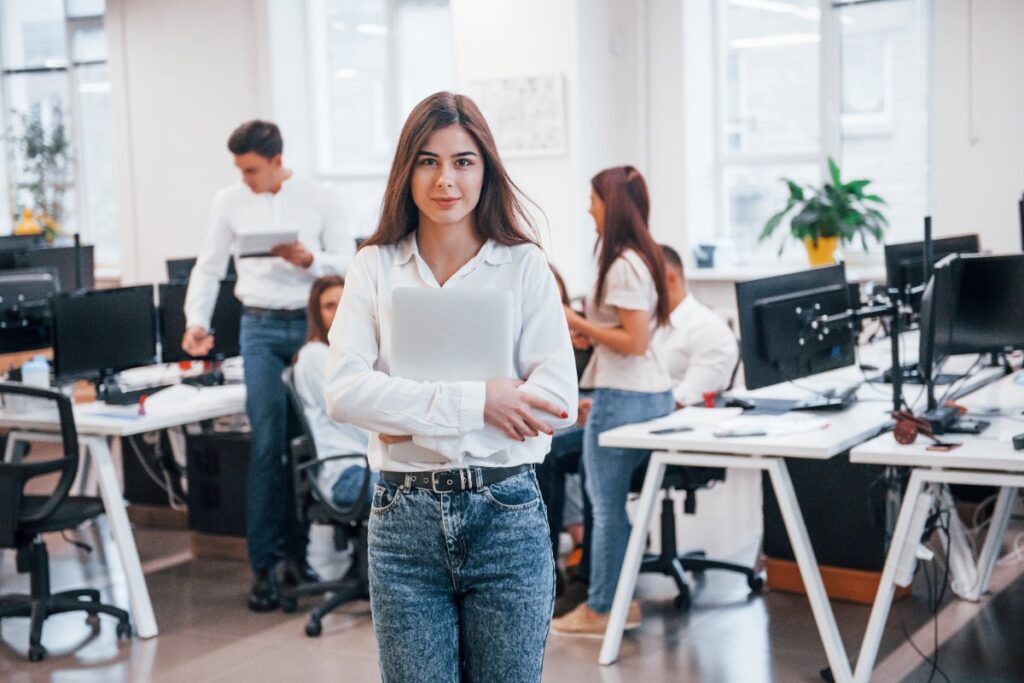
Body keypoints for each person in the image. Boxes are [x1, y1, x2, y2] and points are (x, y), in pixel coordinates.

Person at [323, 92, 578, 682]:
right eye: (428, 161)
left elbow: (557, 401)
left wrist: (405, 412)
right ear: (406, 169)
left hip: (506, 511)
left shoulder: (523, 266)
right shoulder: (374, 266)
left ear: (485, 170)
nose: (446, 180)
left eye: (463, 161)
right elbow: (344, 393)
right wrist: (484, 400)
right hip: (402, 519)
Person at [183, 120, 354, 612]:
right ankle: (263, 567)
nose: (245, 179)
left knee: (307, 446)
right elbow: (210, 266)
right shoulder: (229, 202)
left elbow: (348, 263)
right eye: (239, 170)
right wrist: (196, 321)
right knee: (266, 448)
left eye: (252, 169)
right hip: (257, 329)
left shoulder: (321, 197)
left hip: (310, 329)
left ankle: (298, 560)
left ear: (277, 160)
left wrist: (309, 258)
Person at [550, 165, 674, 637]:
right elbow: (624, 336)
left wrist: (575, 321)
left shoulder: (622, 262)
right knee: (612, 505)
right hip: (646, 391)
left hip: (624, 396)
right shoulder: (639, 257)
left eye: (593, 201)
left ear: (613, 206)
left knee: (606, 506)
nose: (588, 209)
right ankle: (619, 602)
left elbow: (635, 340)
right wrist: (589, 336)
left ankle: (602, 608)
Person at [292, 275, 375, 506]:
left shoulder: (358, 351)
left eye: (344, 303)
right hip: (348, 473)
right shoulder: (314, 356)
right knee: (413, 496)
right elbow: (350, 415)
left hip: (372, 465)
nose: (339, 311)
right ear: (316, 314)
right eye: (329, 306)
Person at [653, 245, 739, 407]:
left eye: (643, 281)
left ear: (670, 279)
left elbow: (687, 399)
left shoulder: (708, 330)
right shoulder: (651, 325)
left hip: (676, 425)